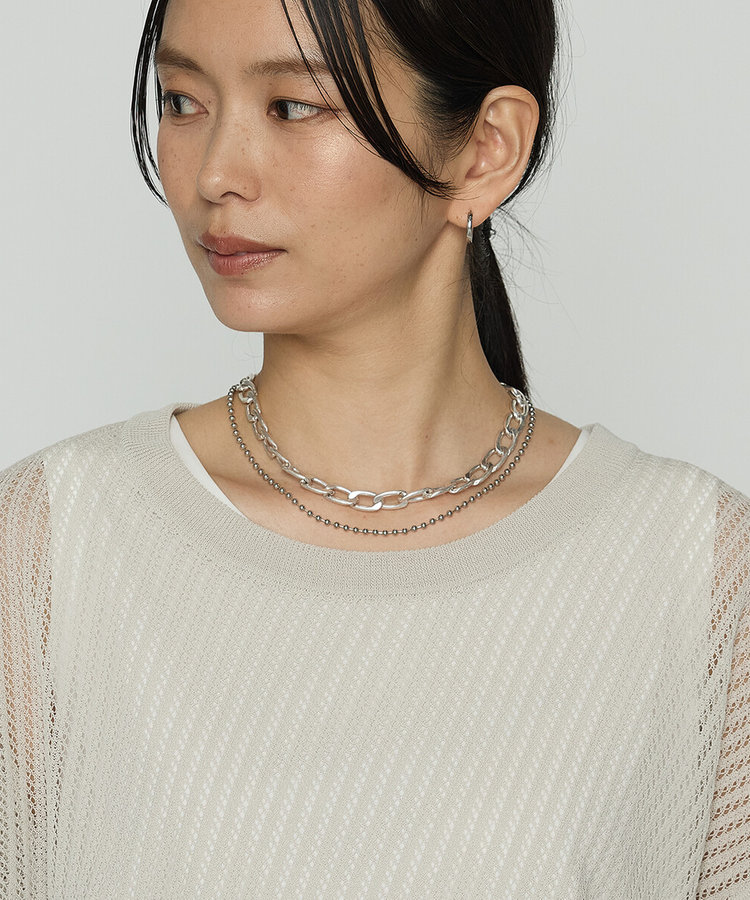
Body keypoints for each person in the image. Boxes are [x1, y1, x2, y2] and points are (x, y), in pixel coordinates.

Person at [1, 0, 747, 896]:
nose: (216, 174)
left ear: (486, 150)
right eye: (182, 101)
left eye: (292, 107)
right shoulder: (51, 551)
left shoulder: (695, 577)